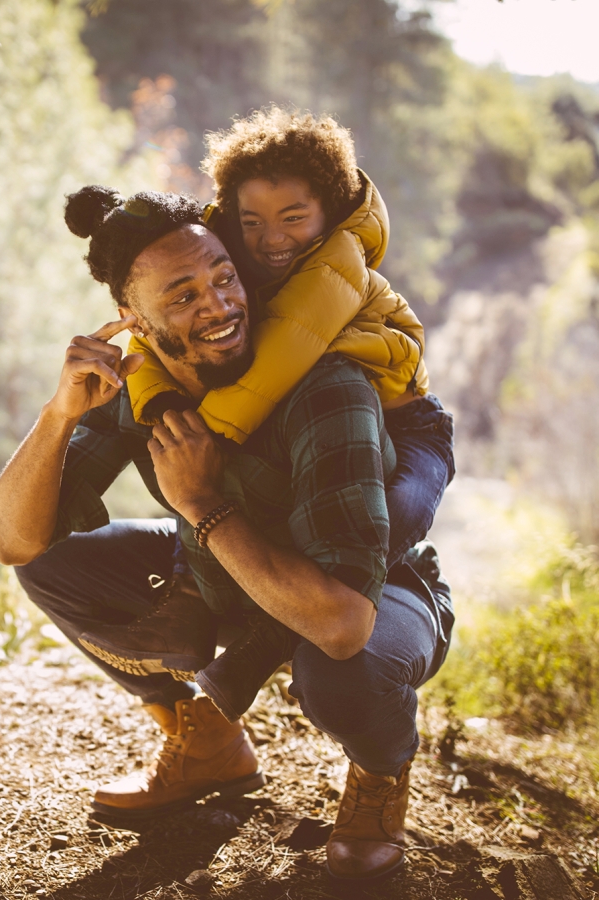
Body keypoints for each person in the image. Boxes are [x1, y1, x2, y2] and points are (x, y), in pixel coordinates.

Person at [0, 186, 454, 885]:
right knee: (55, 565)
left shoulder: (326, 387)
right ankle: (204, 742)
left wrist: (202, 503)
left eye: (224, 278)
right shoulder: (142, 384)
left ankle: (380, 775)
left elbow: (341, 622)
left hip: (378, 590)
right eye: (182, 296)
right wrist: (59, 416)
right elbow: (15, 542)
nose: (219, 305)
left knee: (340, 671)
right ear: (133, 320)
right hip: (228, 574)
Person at [78, 109, 455, 720]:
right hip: (341, 417)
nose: (271, 238)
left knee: (397, 517)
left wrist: (207, 436)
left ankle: (269, 643)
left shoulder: (335, 266)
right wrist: (155, 391)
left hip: (410, 427)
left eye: (293, 219)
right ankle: (194, 622)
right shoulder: (235, 264)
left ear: (330, 213)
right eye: (250, 221)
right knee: (206, 496)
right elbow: (151, 343)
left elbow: (278, 359)